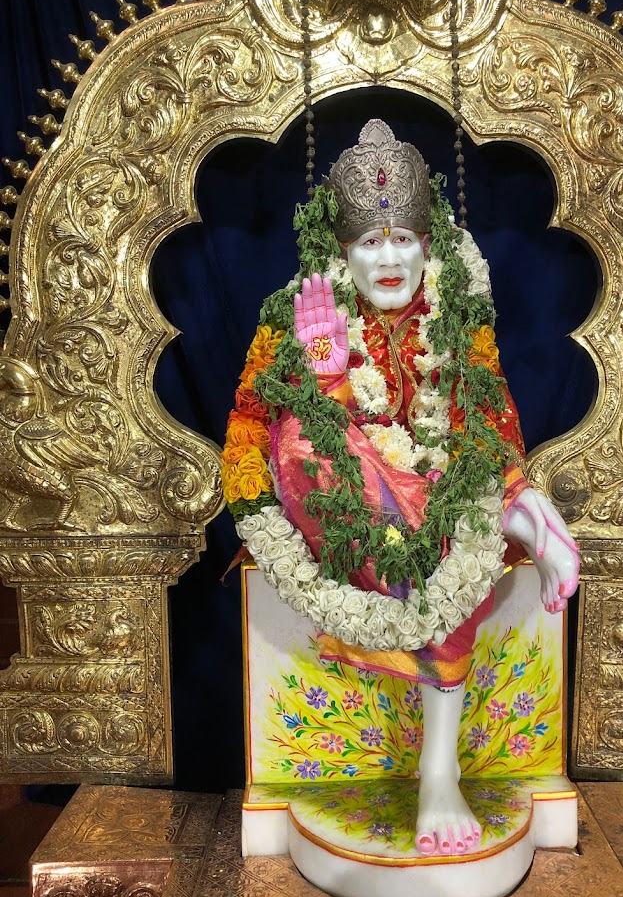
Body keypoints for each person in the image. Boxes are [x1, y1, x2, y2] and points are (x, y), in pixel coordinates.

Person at [224, 120, 578, 857]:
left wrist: (509, 489)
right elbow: (251, 426)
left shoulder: (454, 311)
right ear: (341, 250)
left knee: (467, 484)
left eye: (403, 240)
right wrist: (320, 381)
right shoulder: (299, 312)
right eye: (369, 243)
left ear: (429, 244)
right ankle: (511, 523)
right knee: (310, 433)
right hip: (338, 510)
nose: (388, 259)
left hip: (437, 495)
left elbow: (486, 416)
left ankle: (439, 767)